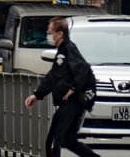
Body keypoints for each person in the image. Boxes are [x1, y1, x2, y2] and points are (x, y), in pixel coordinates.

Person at [25, 17, 99, 157]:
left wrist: (72, 89)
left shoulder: (69, 48)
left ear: (60, 34)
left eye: (50, 32)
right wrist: (37, 94)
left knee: (54, 138)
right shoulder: (62, 51)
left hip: (74, 101)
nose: (48, 36)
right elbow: (53, 76)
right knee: (69, 140)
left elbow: (83, 69)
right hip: (69, 102)